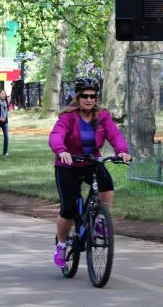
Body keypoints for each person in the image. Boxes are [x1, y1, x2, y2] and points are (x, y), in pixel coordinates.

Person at [48, 77, 131, 268]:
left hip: (91, 161)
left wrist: (122, 150)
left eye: (92, 96)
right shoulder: (68, 117)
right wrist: (62, 151)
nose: (89, 99)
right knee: (68, 208)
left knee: (106, 185)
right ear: (77, 97)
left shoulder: (102, 116)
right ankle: (61, 244)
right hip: (67, 164)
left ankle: (99, 219)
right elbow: (56, 136)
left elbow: (114, 134)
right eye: (84, 96)